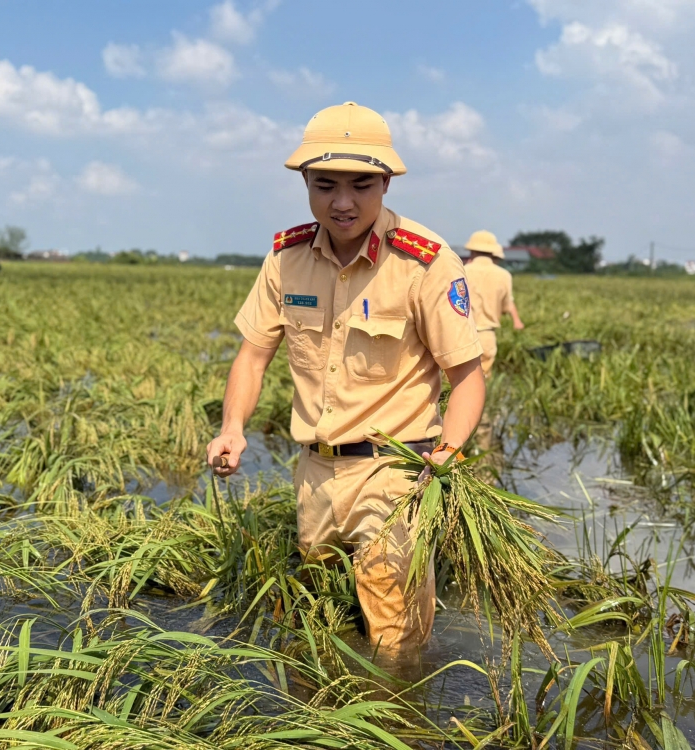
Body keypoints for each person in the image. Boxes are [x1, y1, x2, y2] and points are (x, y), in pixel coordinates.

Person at [206, 102, 486, 654]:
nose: (342, 202)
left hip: (395, 472)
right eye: (325, 184)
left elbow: (467, 376)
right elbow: (253, 355)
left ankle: (399, 722)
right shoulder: (286, 259)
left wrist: (447, 454)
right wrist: (233, 426)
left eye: (360, 185)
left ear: (384, 183)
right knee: (322, 616)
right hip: (315, 470)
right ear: (306, 183)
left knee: (392, 638)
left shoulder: (424, 262)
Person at [462, 231, 524, 378]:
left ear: (472, 250)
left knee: (452, 385)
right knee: (482, 382)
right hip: (486, 336)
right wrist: (516, 320)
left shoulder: (462, 270)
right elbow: (507, 305)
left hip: (460, 334)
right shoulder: (504, 275)